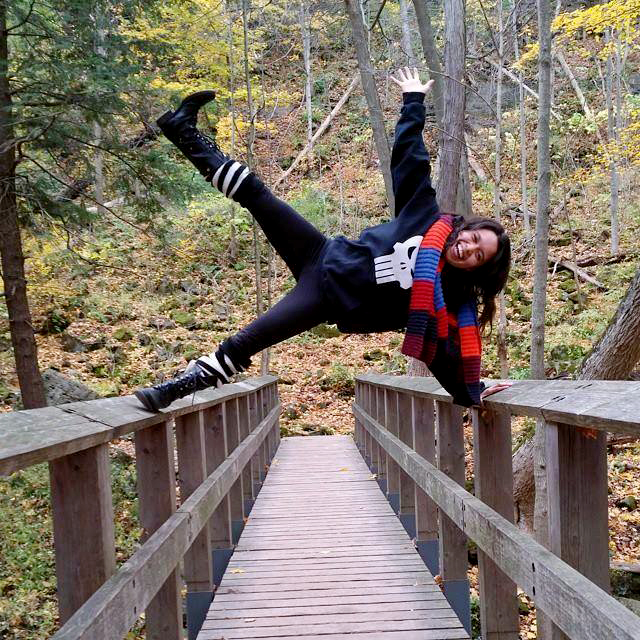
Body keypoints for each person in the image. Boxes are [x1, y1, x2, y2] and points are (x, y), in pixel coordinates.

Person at [135, 68, 511, 413]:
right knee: (256, 195)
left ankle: (172, 390)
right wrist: (413, 102)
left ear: (479, 268)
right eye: (475, 238)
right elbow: (410, 161)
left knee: (247, 341)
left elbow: (441, 352)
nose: (470, 249)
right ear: (466, 229)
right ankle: (182, 130)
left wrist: (469, 392)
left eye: (480, 255)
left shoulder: (448, 299)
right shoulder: (426, 217)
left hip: (325, 298)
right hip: (321, 251)